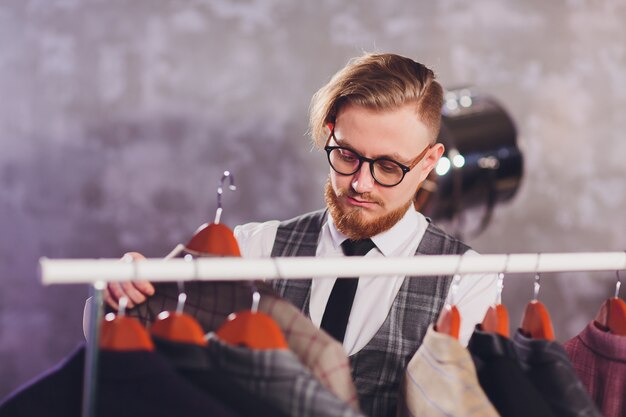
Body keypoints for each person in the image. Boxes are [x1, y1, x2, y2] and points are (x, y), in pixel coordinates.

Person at [97, 53, 497, 417]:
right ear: (329, 133)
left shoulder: (468, 280)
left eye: (389, 167)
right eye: (346, 155)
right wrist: (120, 291)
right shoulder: (253, 248)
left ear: (428, 162)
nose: (360, 183)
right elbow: (133, 343)